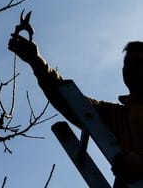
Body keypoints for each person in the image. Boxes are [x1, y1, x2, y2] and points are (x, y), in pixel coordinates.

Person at [8, 31, 143, 183]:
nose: (131, 69)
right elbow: (71, 101)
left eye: (139, 63)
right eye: (128, 64)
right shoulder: (117, 115)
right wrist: (37, 61)